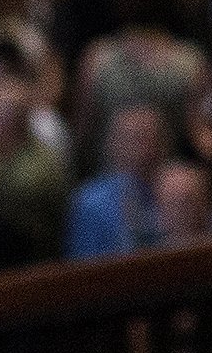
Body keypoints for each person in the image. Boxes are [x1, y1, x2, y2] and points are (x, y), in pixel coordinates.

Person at [65, 100, 168, 260]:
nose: (146, 147)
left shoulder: (180, 188)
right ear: (113, 144)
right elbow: (84, 267)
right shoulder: (91, 203)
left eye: (151, 137)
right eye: (135, 139)